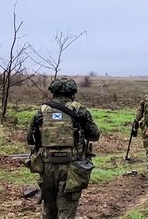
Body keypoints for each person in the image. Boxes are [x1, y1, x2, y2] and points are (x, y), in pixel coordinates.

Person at [26, 77, 101, 219]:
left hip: (47, 167)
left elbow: (30, 138)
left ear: (53, 92)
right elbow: (94, 135)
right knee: (66, 212)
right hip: (71, 168)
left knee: (49, 211)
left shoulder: (41, 111)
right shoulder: (80, 110)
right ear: (72, 92)